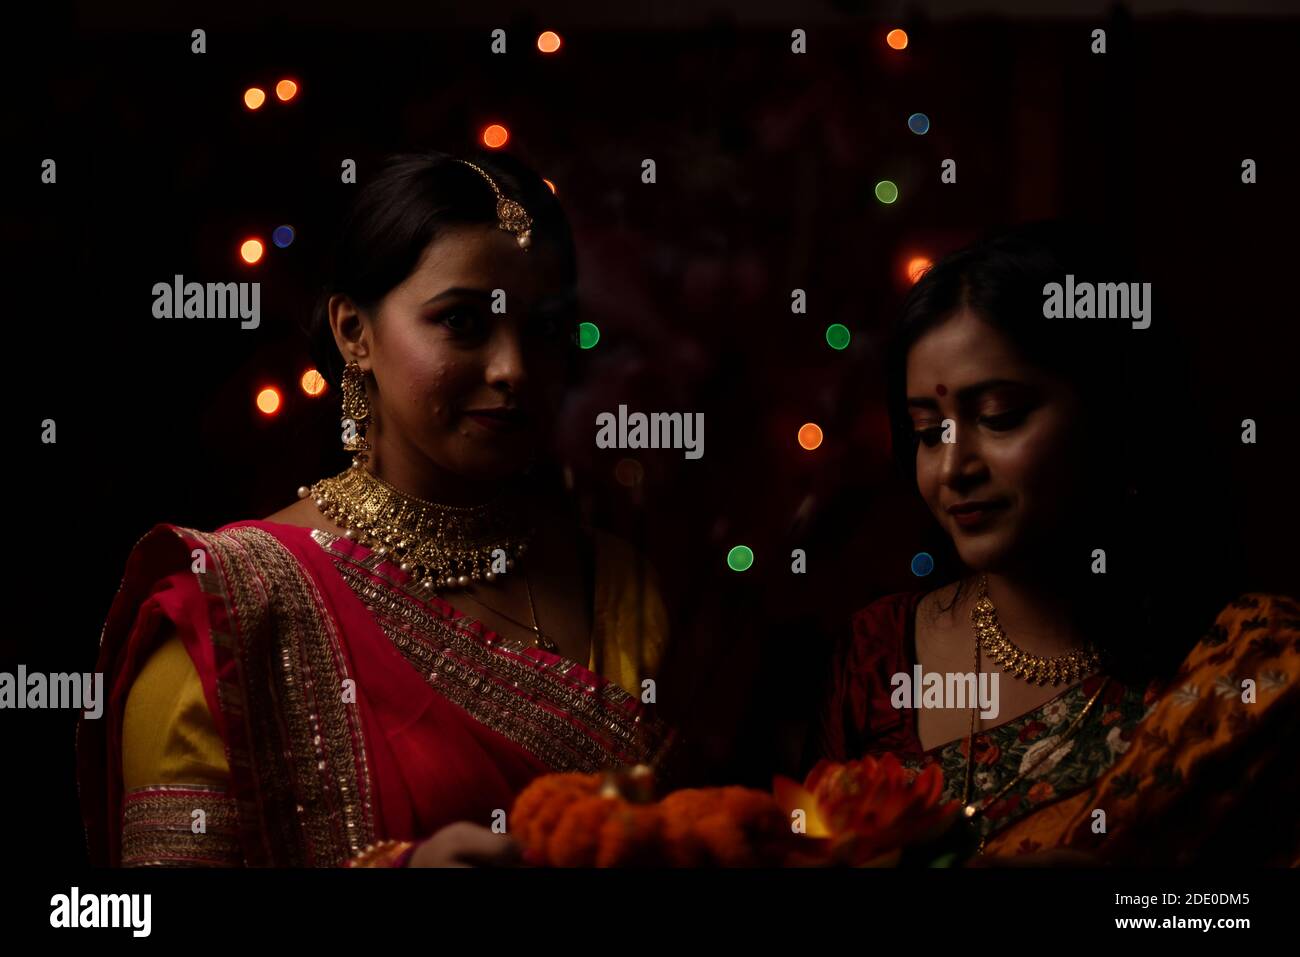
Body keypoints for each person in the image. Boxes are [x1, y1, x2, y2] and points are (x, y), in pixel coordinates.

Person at [78, 150, 673, 868]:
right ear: (352, 332)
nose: (513, 367)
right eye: (462, 321)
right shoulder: (235, 606)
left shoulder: (616, 582)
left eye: (543, 328)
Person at [816, 222, 1299, 865]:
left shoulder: (1252, 665)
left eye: (999, 417)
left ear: (1115, 412)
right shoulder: (879, 653)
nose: (952, 466)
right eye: (929, 431)